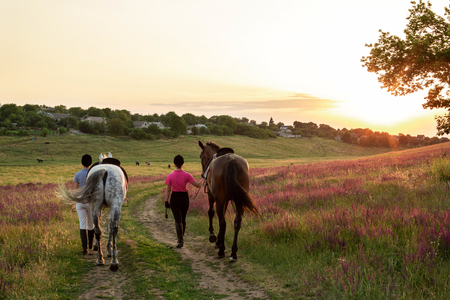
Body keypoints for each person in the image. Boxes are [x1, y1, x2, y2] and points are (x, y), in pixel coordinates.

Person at [165, 155, 203, 248]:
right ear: (183, 164)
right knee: (183, 220)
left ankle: (180, 241)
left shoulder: (170, 176)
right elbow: (198, 185)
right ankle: (182, 238)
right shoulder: (187, 175)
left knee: (177, 220)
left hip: (174, 198)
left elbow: (168, 190)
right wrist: (204, 178)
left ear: (174, 164)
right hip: (184, 198)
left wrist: (166, 201)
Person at [73, 154, 95, 255]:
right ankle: (91, 245)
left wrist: (74, 203)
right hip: (90, 201)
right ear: (91, 163)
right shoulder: (93, 174)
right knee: (91, 224)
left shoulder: (77, 174)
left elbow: (75, 190)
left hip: (80, 201)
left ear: (82, 162)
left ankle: (85, 248)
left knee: (82, 223)